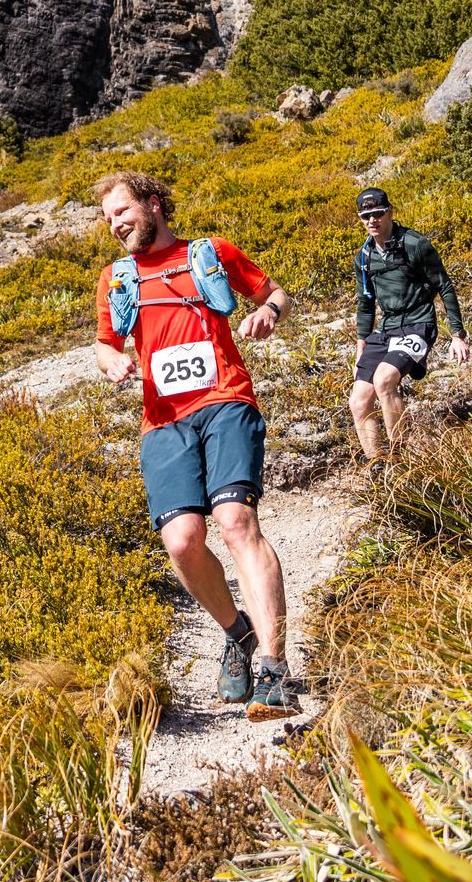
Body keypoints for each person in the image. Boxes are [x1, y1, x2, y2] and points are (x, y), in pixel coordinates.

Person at [92, 170, 300, 720]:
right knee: (181, 542)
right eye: (108, 218)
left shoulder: (210, 253)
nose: (114, 224)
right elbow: (105, 343)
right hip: (162, 424)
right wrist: (112, 359)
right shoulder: (117, 280)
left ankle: (275, 670)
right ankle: (239, 634)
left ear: (153, 205)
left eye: (122, 212)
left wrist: (267, 312)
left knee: (235, 522)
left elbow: (274, 292)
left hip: (226, 402)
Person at [349, 187, 469, 466]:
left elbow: (445, 286)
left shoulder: (415, 244)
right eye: (365, 216)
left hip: (418, 325)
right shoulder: (364, 257)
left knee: (384, 380)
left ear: (390, 211)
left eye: (378, 213)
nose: (372, 221)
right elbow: (365, 303)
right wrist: (361, 347)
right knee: (359, 399)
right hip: (387, 330)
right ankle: (378, 466)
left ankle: (400, 460)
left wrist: (457, 334)